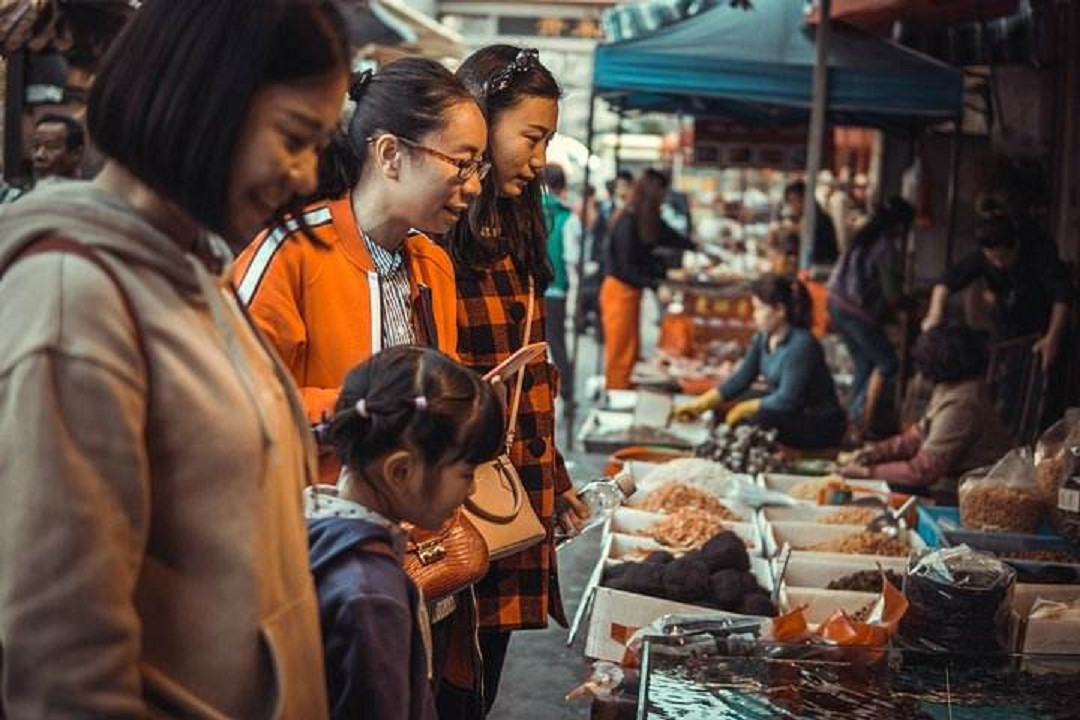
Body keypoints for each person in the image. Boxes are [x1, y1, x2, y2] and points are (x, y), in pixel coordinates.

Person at [0, 1, 349, 716]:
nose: (308, 173)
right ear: (202, 99)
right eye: (293, 135)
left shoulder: (191, 274)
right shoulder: (75, 300)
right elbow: (64, 665)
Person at [438, 44, 590, 719]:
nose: (539, 158)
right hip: (448, 502)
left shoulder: (519, 227)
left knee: (477, 689)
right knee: (439, 686)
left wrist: (552, 479)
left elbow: (535, 376)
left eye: (547, 141)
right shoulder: (435, 235)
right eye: (531, 137)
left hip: (510, 497)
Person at [235, 57, 487, 435]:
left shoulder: (434, 265)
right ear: (390, 154)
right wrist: (364, 410)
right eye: (463, 163)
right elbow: (239, 399)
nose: (474, 186)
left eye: (479, 168)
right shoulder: (292, 252)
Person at [306, 346, 504, 720]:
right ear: (400, 472)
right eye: (466, 473)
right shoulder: (372, 595)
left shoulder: (309, 525)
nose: (471, 490)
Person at [675, 276, 847, 450]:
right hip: (794, 413)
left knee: (757, 419)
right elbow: (742, 379)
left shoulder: (802, 345)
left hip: (818, 424)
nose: (754, 315)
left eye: (759, 309)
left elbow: (788, 400)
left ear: (780, 310)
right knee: (744, 400)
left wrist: (744, 408)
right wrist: (701, 404)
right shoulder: (763, 338)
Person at [839, 326, 1011, 499]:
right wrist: (871, 453)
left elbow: (923, 471)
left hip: (968, 494)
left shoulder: (963, 403)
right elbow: (915, 437)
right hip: (952, 484)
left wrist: (867, 472)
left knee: (873, 492)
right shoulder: (949, 388)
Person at [922, 211, 1074, 375]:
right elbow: (946, 283)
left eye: (1003, 258)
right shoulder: (983, 254)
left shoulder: (1040, 250)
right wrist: (934, 314)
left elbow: (1062, 295)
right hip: (1006, 325)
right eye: (992, 259)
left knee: (1042, 380)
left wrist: (1053, 337)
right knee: (1005, 379)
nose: (998, 265)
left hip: (1044, 326)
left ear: (1015, 244)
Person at [828, 197, 914, 434]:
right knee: (887, 363)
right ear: (900, 225)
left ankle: (851, 422)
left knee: (865, 363)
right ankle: (862, 421)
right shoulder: (885, 246)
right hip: (855, 312)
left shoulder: (864, 236)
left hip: (837, 304)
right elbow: (892, 296)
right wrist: (911, 303)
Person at [600, 168, 691, 390]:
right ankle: (616, 393)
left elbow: (667, 235)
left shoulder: (643, 217)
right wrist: (655, 284)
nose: (663, 200)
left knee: (630, 347)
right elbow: (626, 267)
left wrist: (696, 247)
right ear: (652, 193)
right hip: (618, 290)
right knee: (620, 350)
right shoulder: (627, 221)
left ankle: (623, 389)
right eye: (661, 194)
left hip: (630, 292)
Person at [540, 163, 580, 401]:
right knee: (557, 344)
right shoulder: (568, 218)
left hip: (532, 289)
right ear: (562, 186)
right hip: (557, 290)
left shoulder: (528, 213)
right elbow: (572, 259)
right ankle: (566, 391)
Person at [785, 179, 839, 266]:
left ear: (805, 199)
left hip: (821, 271)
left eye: (794, 200)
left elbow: (816, 251)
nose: (792, 206)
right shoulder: (804, 218)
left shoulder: (819, 220)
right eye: (790, 201)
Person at [31, 112, 84, 183]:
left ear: (76, 153)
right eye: (36, 146)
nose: (39, 155)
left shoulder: (91, 193)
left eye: (51, 147)